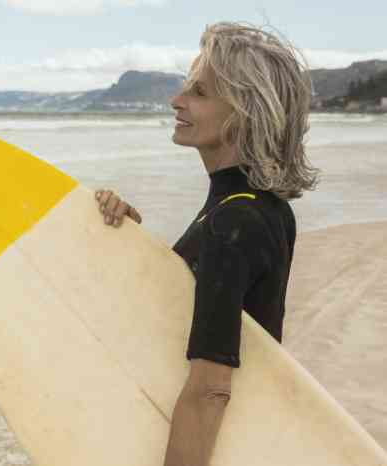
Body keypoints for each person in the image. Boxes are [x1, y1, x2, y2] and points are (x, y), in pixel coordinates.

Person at [94, 22, 320, 466]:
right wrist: (131, 246)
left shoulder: (233, 220)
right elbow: (201, 306)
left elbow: (210, 390)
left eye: (199, 93)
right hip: (243, 442)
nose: (177, 101)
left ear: (245, 110)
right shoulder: (261, 208)